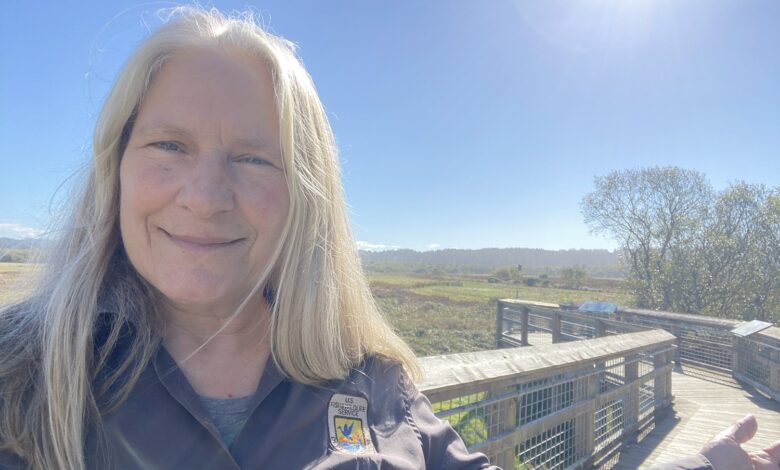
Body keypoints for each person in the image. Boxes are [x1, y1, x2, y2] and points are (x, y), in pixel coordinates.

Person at [0, 6, 777, 470]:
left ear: (306, 196)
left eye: (251, 157)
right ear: (117, 168)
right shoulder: (23, 378)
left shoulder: (371, 383)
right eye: (169, 145)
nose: (205, 197)